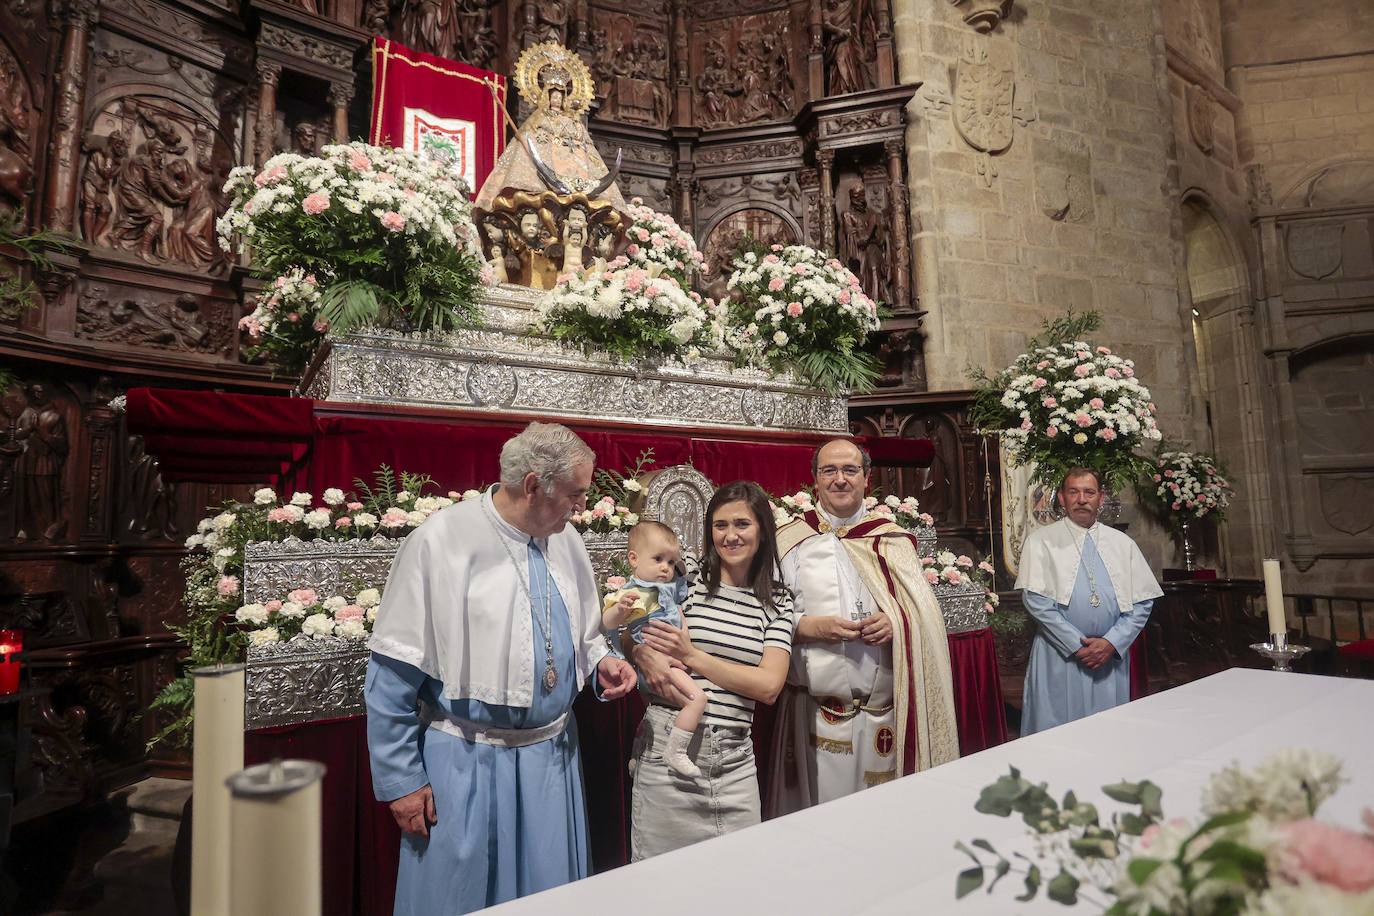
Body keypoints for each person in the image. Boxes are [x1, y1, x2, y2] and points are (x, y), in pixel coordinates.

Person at [364, 421, 638, 915]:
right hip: (468, 763)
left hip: (551, 759)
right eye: (574, 495)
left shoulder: (567, 540)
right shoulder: (442, 541)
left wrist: (603, 662)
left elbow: (583, 630)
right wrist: (401, 780)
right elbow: (393, 673)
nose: (581, 508)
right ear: (533, 485)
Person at [768, 438, 959, 817]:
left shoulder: (891, 540)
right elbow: (764, 615)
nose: (840, 479)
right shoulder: (789, 541)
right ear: (815, 480)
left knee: (884, 822)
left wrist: (896, 623)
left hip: (882, 719)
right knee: (819, 825)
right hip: (816, 719)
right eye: (829, 471)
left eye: (850, 470)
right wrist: (807, 627)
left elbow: (924, 616)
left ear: (866, 478)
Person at [630, 481, 794, 860]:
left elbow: (769, 685)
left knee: (738, 882)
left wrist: (691, 655)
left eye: (742, 524)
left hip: (734, 761)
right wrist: (639, 652)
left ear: (762, 530)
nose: (730, 535)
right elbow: (632, 622)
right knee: (660, 886)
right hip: (668, 752)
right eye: (720, 525)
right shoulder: (684, 584)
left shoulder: (779, 600)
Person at [1015, 467, 1162, 736]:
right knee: (1056, 737)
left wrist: (1112, 642)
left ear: (1100, 498)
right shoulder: (1041, 542)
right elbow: (1035, 600)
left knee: (1108, 734)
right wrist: (1076, 645)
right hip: (1060, 656)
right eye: (1073, 492)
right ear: (1061, 498)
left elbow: (1142, 603)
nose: (1081, 499)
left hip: (1108, 659)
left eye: (1089, 492)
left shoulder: (1122, 543)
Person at [601, 520, 705, 778]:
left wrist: (680, 568)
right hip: (658, 661)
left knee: (651, 711)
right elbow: (606, 622)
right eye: (658, 559)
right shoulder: (633, 592)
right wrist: (620, 609)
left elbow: (682, 592)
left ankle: (638, 752)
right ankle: (676, 751)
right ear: (634, 559)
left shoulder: (667, 588)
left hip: (668, 658)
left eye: (670, 562)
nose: (665, 568)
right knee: (697, 700)